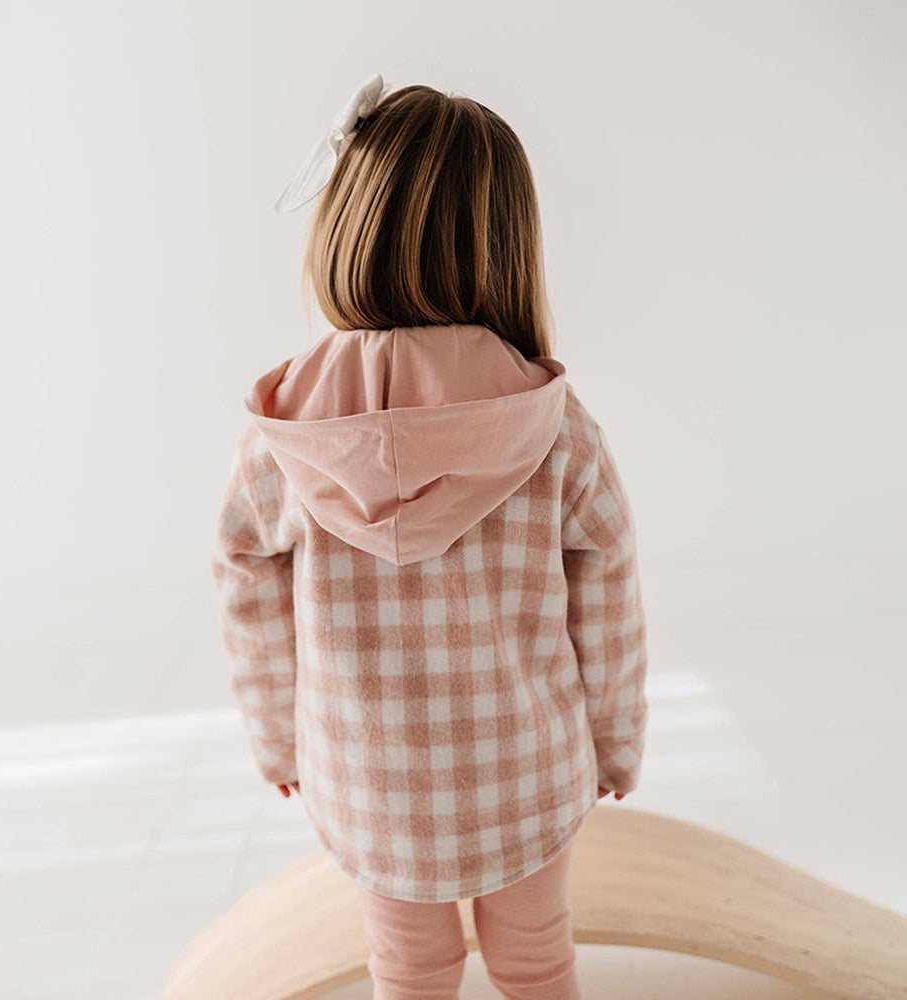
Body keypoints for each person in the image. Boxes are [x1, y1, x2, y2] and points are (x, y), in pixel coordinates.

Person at [210, 74, 649, 1000]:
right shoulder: (554, 424)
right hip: (526, 772)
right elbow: (607, 586)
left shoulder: (283, 433)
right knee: (538, 961)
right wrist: (615, 741)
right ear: (505, 247)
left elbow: (244, 581)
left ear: (344, 226)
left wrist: (278, 741)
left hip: (369, 785)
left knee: (407, 969)